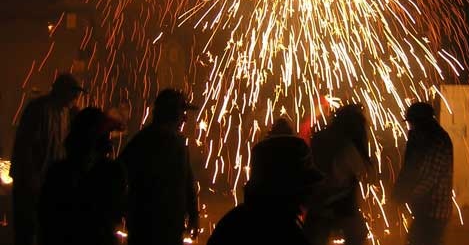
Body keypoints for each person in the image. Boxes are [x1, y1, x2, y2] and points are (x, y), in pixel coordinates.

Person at [10, 72, 87, 245]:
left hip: (46, 183)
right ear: (62, 90)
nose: (76, 97)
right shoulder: (39, 109)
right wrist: (31, 179)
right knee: (27, 232)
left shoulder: (64, 113)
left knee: (44, 231)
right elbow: (25, 147)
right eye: (74, 92)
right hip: (30, 183)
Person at [206, 134, 324, 245]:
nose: (311, 190)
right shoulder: (282, 230)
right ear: (289, 187)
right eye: (306, 184)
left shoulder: (233, 222)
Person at [118, 88, 199, 245]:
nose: (185, 118)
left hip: (161, 224)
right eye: (182, 112)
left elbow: (187, 180)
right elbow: (119, 173)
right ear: (172, 113)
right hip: (152, 225)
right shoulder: (149, 141)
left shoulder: (152, 140)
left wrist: (193, 213)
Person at [38, 106, 127, 245]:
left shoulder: (57, 172)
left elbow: (45, 217)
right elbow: (117, 212)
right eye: (106, 133)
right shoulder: (111, 172)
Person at [304, 103, 373, 245]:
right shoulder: (348, 146)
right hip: (335, 202)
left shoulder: (321, 137)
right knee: (357, 234)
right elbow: (357, 170)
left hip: (319, 202)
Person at [393, 101, 453, 245]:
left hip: (435, 210)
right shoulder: (424, 139)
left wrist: (408, 195)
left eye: (413, 123)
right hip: (426, 209)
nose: (411, 127)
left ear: (422, 122)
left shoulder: (438, 141)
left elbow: (431, 177)